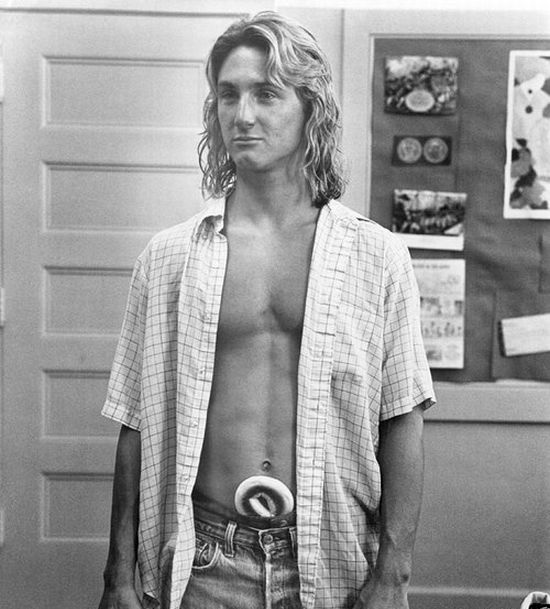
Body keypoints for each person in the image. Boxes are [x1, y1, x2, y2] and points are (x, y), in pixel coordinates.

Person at [98, 11, 435, 609]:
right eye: (228, 95)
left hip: (332, 558)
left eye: (266, 94)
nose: (242, 114)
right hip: (206, 560)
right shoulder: (170, 257)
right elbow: (135, 420)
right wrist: (118, 576)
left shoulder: (377, 256)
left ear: (310, 107)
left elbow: (402, 418)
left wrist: (394, 576)